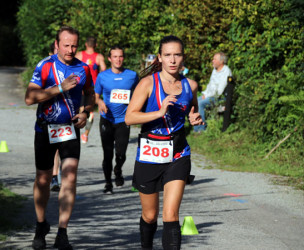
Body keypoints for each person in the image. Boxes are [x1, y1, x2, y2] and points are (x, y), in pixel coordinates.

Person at [125, 35, 203, 250]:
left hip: (178, 154)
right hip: (150, 152)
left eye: (177, 54)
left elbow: (192, 111)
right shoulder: (148, 83)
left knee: (171, 214)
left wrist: (194, 118)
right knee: (150, 216)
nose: (172, 60)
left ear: (183, 57)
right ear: (159, 57)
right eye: (167, 55)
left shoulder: (191, 85)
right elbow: (129, 117)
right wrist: (159, 112)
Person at [25, 26, 95, 250]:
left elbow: (90, 94)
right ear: (57, 44)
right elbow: (29, 98)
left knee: (70, 178)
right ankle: (40, 225)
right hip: (46, 129)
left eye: (74, 45)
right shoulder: (45, 66)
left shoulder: (83, 68)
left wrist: (85, 113)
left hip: (70, 129)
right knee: (43, 180)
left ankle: (62, 232)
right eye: (66, 45)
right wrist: (59, 88)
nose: (70, 49)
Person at [95, 45, 139, 194]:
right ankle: (108, 184)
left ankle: (118, 169)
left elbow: (139, 93)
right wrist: (100, 102)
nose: (118, 59)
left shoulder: (132, 75)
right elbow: (96, 96)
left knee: (121, 153)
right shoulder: (102, 76)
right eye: (115, 56)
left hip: (123, 120)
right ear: (109, 59)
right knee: (107, 154)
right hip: (107, 119)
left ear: (123, 58)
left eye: (120, 56)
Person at [75, 37, 106, 143]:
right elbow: (104, 70)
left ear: (85, 44)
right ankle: (86, 134)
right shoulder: (99, 57)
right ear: (96, 45)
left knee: (80, 109)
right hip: (93, 88)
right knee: (90, 111)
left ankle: (77, 131)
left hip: (81, 86)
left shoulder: (79, 55)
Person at [194, 52, 232, 132]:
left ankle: (201, 129)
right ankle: (196, 128)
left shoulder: (226, 72)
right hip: (210, 95)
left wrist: (207, 96)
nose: (212, 61)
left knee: (200, 103)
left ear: (221, 61)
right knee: (194, 101)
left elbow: (219, 91)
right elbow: (210, 85)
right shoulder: (215, 70)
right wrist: (205, 93)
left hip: (219, 98)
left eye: (215, 59)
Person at [48, 41, 61, 192]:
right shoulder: (45, 69)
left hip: (69, 116)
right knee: (55, 148)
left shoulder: (73, 67)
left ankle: (61, 176)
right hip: (51, 115)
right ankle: (54, 176)